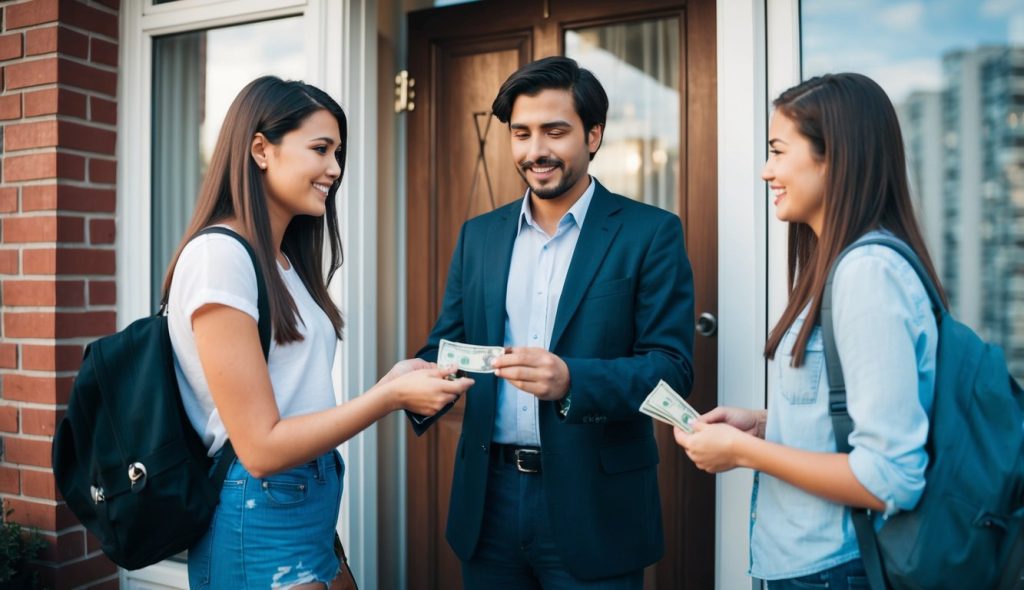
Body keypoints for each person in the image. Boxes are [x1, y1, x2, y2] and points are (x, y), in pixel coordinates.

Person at [162, 76, 473, 589]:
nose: (335, 168)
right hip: (259, 507)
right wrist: (389, 396)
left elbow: (294, 398)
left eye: (339, 152)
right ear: (261, 149)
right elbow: (260, 447)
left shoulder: (282, 261)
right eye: (321, 149)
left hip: (307, 498)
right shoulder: (220, 256)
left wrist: (392, 380)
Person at [409, 56, 695, 589]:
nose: (535, 150)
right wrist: (415, 380)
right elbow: (444, 349)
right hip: (487, 502)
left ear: (593, 135)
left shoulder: (650, 233)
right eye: (522, 133)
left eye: (554, 131)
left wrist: (572, 380)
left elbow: (672, 371)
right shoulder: (479, 236)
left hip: (597, 506)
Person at [675, 73, 944, 589]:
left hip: (834, 570)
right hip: (816, 566)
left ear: (835, 157)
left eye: (778, 151)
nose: (765, 171)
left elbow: (889, 477)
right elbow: (856, 414)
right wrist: (762, 423)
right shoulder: (844, 264)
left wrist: (743, 452)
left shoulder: (867, 274)